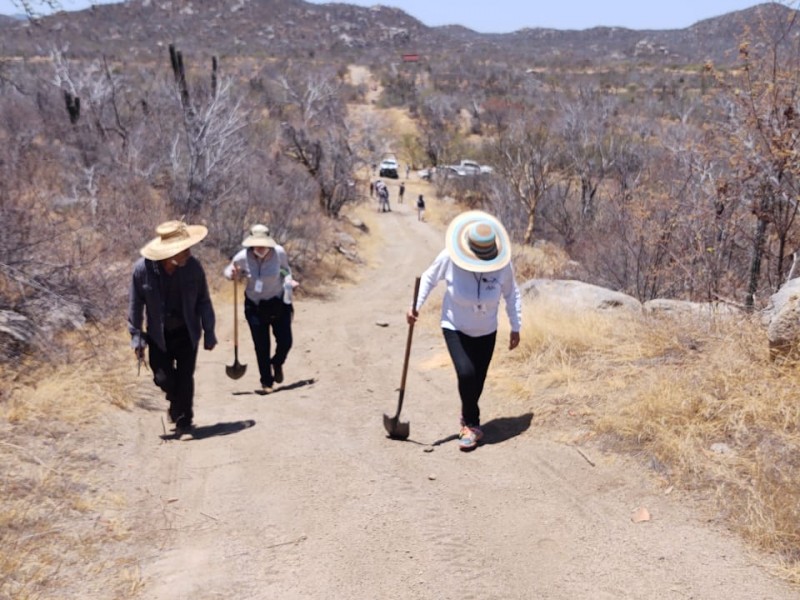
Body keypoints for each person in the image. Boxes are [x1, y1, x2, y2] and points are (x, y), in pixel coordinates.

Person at [407, 211, 522, 451]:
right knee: (467, 374)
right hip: (455, 326)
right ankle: (471, 425)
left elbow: (512, 293)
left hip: (487, 330)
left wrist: (515, 326)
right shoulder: (450, 257)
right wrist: (415, 305)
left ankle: (467, 412)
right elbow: (428, 278)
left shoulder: (502, 264)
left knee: (477, 382)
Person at [128, 220, 217, 436]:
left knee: (185, 378)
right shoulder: (142, 270)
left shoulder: (193, 268)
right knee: (163, 378)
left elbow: (204, 300)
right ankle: (176, 403)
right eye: (184, 249)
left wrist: (209, 331)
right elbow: (136, 304)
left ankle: (184, 419)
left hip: (187, 332)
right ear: (169, 252)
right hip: (159, 336)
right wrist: (137, 337)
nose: (188, 252)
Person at [224, 224, 294, 392]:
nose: (260, 247)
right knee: (261, 344)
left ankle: (276, 363)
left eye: (263, 244)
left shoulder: (279, 253)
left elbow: (286, 271)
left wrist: (289, 282)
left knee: (285, 341)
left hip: (278, 302)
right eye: (257, 244)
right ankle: (266, 381)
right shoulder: (243, 257)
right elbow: (228, 270)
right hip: (255, 306)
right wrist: (231, 274)